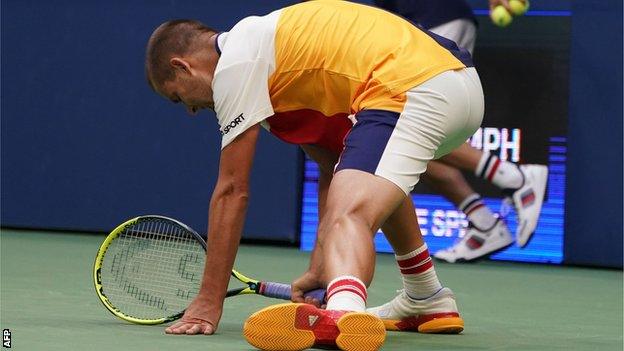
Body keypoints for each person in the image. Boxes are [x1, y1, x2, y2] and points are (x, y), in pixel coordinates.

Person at [145, 1, 482, 349]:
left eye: (177, 97)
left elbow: (232, 190)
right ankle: (425, 296)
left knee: (349, 213)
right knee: (369, 178)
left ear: (182, 66)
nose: (190, 110)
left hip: (413, 86)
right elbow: (335, 163)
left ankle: (342, 312)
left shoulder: (236, 64)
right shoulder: (275, 63)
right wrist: (321, 267)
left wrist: (206, 303)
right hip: (458, 83)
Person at [372, 0, 549, 264]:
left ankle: (515, 179)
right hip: (426, 24)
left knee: (410, 128)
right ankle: (485, 224)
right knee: (406, 141)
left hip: (433, 21)